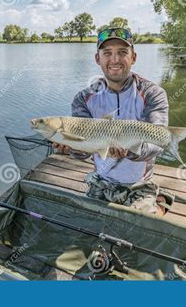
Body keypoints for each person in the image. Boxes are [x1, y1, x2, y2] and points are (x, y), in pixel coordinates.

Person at [53, 27, 172, 215]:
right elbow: (83, 153)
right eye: (107, 53)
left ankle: (159, 202)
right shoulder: (83, 98)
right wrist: (71, 147)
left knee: (138, 229)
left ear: (133, 57)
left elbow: (158, 142)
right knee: (87, 225)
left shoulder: (152, 93)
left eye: (122, 52)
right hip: (101, 179)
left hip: (139, 183)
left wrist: (132, 149)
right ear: (97, 58)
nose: (115, 60)